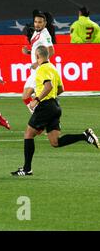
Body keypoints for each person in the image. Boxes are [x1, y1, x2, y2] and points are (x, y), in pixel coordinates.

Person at [11, 46, 99, 176]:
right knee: (55, 142)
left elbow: (48, 86)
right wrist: (50, 98)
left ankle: (27, 169)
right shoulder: (53, 68)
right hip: (55, 106)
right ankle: (84, 136)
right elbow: (61, 89)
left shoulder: (41, 69)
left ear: (37, 56)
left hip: (45, 106)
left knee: (28, 134)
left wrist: (37, 99)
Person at [21, 13, 54, 113]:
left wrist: (39, 63)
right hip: (35, 71)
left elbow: (51, 50)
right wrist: (29, 52)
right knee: (26, 97)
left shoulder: (45, 34)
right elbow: (40, 50)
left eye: (40, 22)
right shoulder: (36, 33)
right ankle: (41, 116)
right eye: (36, 22)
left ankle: (40, 117)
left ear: (45, 23)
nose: (37, 24)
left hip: (40, 70)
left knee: (27, 96)